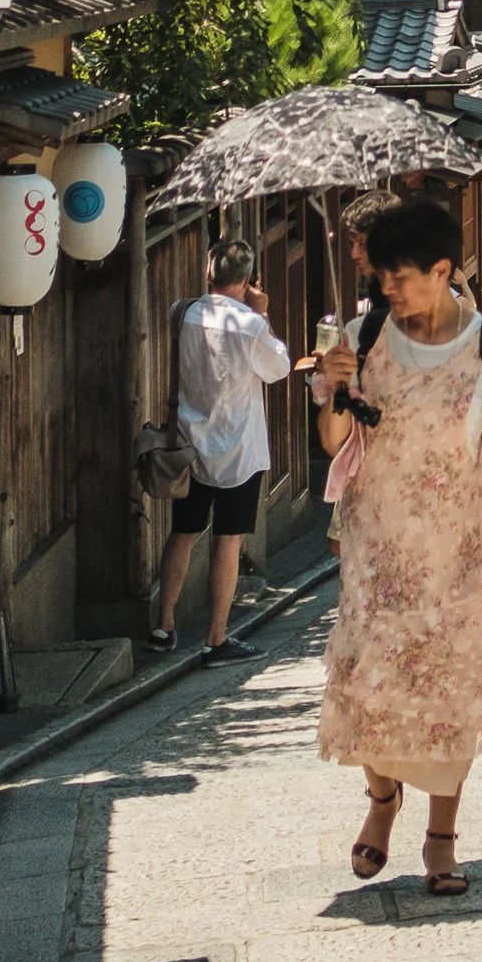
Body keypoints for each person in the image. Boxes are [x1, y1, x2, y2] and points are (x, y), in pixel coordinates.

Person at [313, 195, 482, 894]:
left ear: (443, 270)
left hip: (457, 550)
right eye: (383, 278)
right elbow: (332, 440)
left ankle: (441, 834)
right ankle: (383, 798)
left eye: (402, 277)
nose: (390, 290)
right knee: (367, 684)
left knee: (448, 691)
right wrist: (334, 387)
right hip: (376, 548)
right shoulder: (362, 332)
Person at [151, 237, 292, 661]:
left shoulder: (186, 313)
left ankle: (163, 626)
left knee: (183, 534)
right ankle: (215, 636)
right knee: (228, 541)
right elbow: (279, 368)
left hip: (191, 445)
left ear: (209, 273)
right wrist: (262, 311)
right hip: (238, 450)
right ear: (248, 280)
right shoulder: (249, 324)